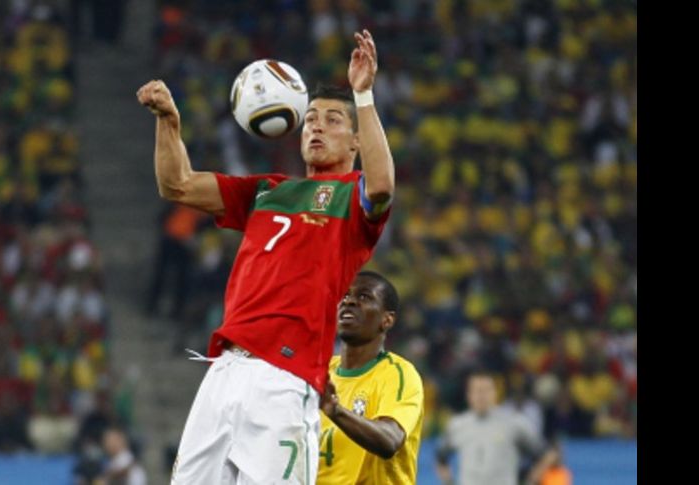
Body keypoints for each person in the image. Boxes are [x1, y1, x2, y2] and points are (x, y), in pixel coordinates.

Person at [137, 28, 394, 485]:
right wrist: (168, 120)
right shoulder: (267, 191)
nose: (317, 125)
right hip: (224, 370)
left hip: (286, 378)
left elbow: (382, 186)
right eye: (311, 118)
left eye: (334, 120)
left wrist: (363, 95)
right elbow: (175, 183)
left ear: (356, 144)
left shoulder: (352, 200)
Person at [318, 271, 424, 485]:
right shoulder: (320, 370)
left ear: (387, 320)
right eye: (345, 296)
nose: (349, 302)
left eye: (364, 297)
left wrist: (335, 411)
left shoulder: (398, 374)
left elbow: (390, 441)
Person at [435, 370, 559, 485]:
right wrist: (449, 482)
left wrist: (529, 481)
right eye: (477, 390)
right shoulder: (457, 425)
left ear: (495, 393)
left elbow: (548, 454)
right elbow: (441, 458)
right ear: (469, 395)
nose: (481, 396)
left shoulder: (513, 423)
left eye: (486, 390)